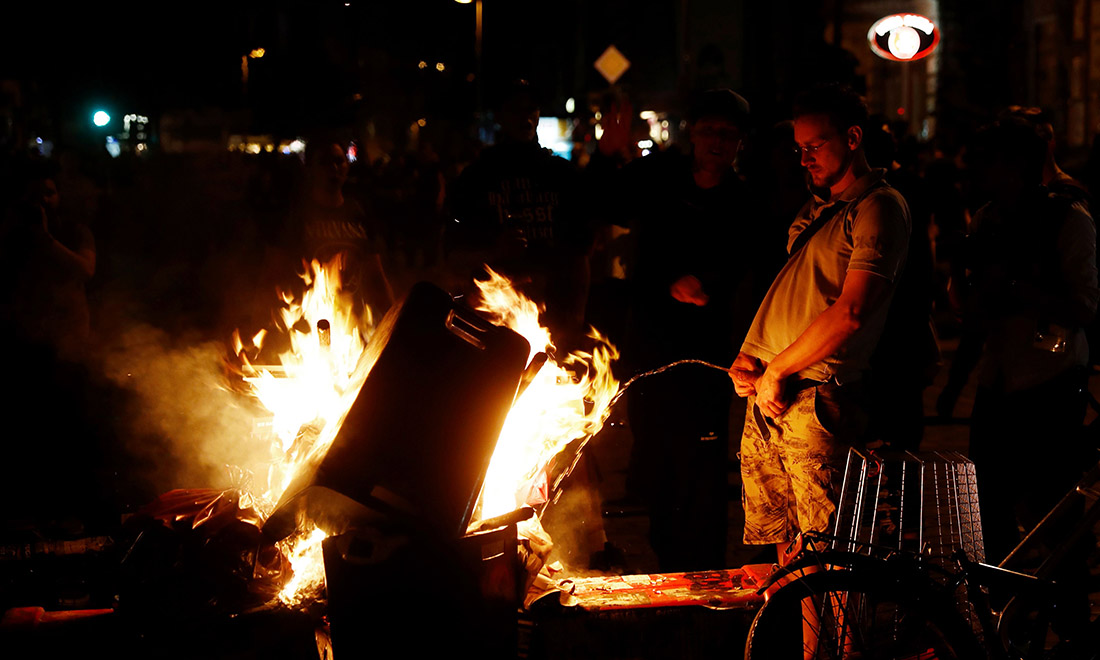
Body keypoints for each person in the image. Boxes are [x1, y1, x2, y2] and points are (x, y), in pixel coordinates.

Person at [730, 84, 911, 562]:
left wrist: (777, 371)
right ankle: (799, 639)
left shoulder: (878, 206)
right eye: (799, 148)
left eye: (815, 146)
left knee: (831, 555)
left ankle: (835, 642)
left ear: (853, 137)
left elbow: (851, 311)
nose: (804, 158)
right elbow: (805, 294)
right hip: (773, 393)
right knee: (785, 550)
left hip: (815, 396)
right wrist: (755, 356)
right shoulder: (817, 208)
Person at [619, 89, 773, 571]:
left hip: (710, 352)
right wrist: (668, 282)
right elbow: (628, 249)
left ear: (740, 143)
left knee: (703, 464)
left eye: (728, 134)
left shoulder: (744, 202)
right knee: (658, 460)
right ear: (692, 134)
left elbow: (754, 270)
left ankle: (705, 568)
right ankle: (665, 563)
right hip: (652, 347)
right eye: (709, 130)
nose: (717, 141)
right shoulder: (660, 184)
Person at [962, 119, 1098, 564]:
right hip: (998, 382)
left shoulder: (1067, 217)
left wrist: (1017, 289)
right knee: (986, 508)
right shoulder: (986, 218)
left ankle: (1068, 615)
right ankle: (1006, 612)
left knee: (1054, 508)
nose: (974, 169)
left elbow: (1084, 306)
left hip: (1051, 381)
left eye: (987, 160)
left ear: (1018, 166)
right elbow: (972, 303)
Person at [447, 79, 592, 350]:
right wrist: (495, 251)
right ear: (501, 116)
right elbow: (453, 258)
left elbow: (580, 253)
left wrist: (577, 316)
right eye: (516, 109)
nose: (526, 116)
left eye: (532, 108)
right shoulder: (476, 178)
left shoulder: (562, 176)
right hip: (494, 319)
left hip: (555, 321)